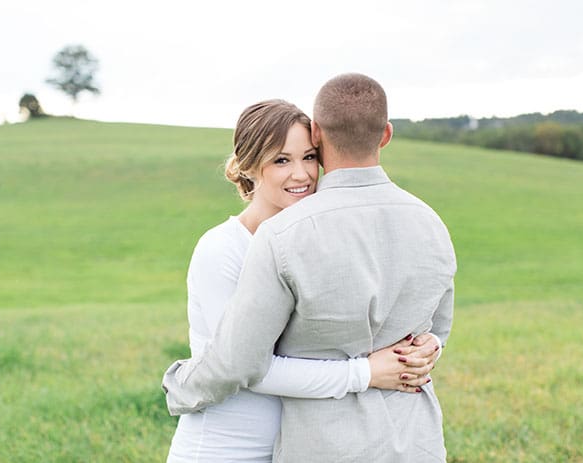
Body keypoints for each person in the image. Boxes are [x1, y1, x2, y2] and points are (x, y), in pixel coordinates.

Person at [164, 87, 454, 461]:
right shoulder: (221, 248)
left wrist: (421, 346)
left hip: (291, 444)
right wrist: (365, 373)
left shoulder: (310, 240)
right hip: (227, 445)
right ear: (249, 166)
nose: (300, 174)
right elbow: (243, 367)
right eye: (281, 160)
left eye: (309, 157)